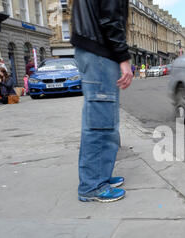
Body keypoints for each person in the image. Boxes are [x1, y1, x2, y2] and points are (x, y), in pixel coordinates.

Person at [71, 0, 133, 203]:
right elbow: (110, 16)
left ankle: (100, 176)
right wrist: (123, 57)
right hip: (100, 49)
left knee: (102, 118)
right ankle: (92, 185)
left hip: (94, 46)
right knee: (100, 122)